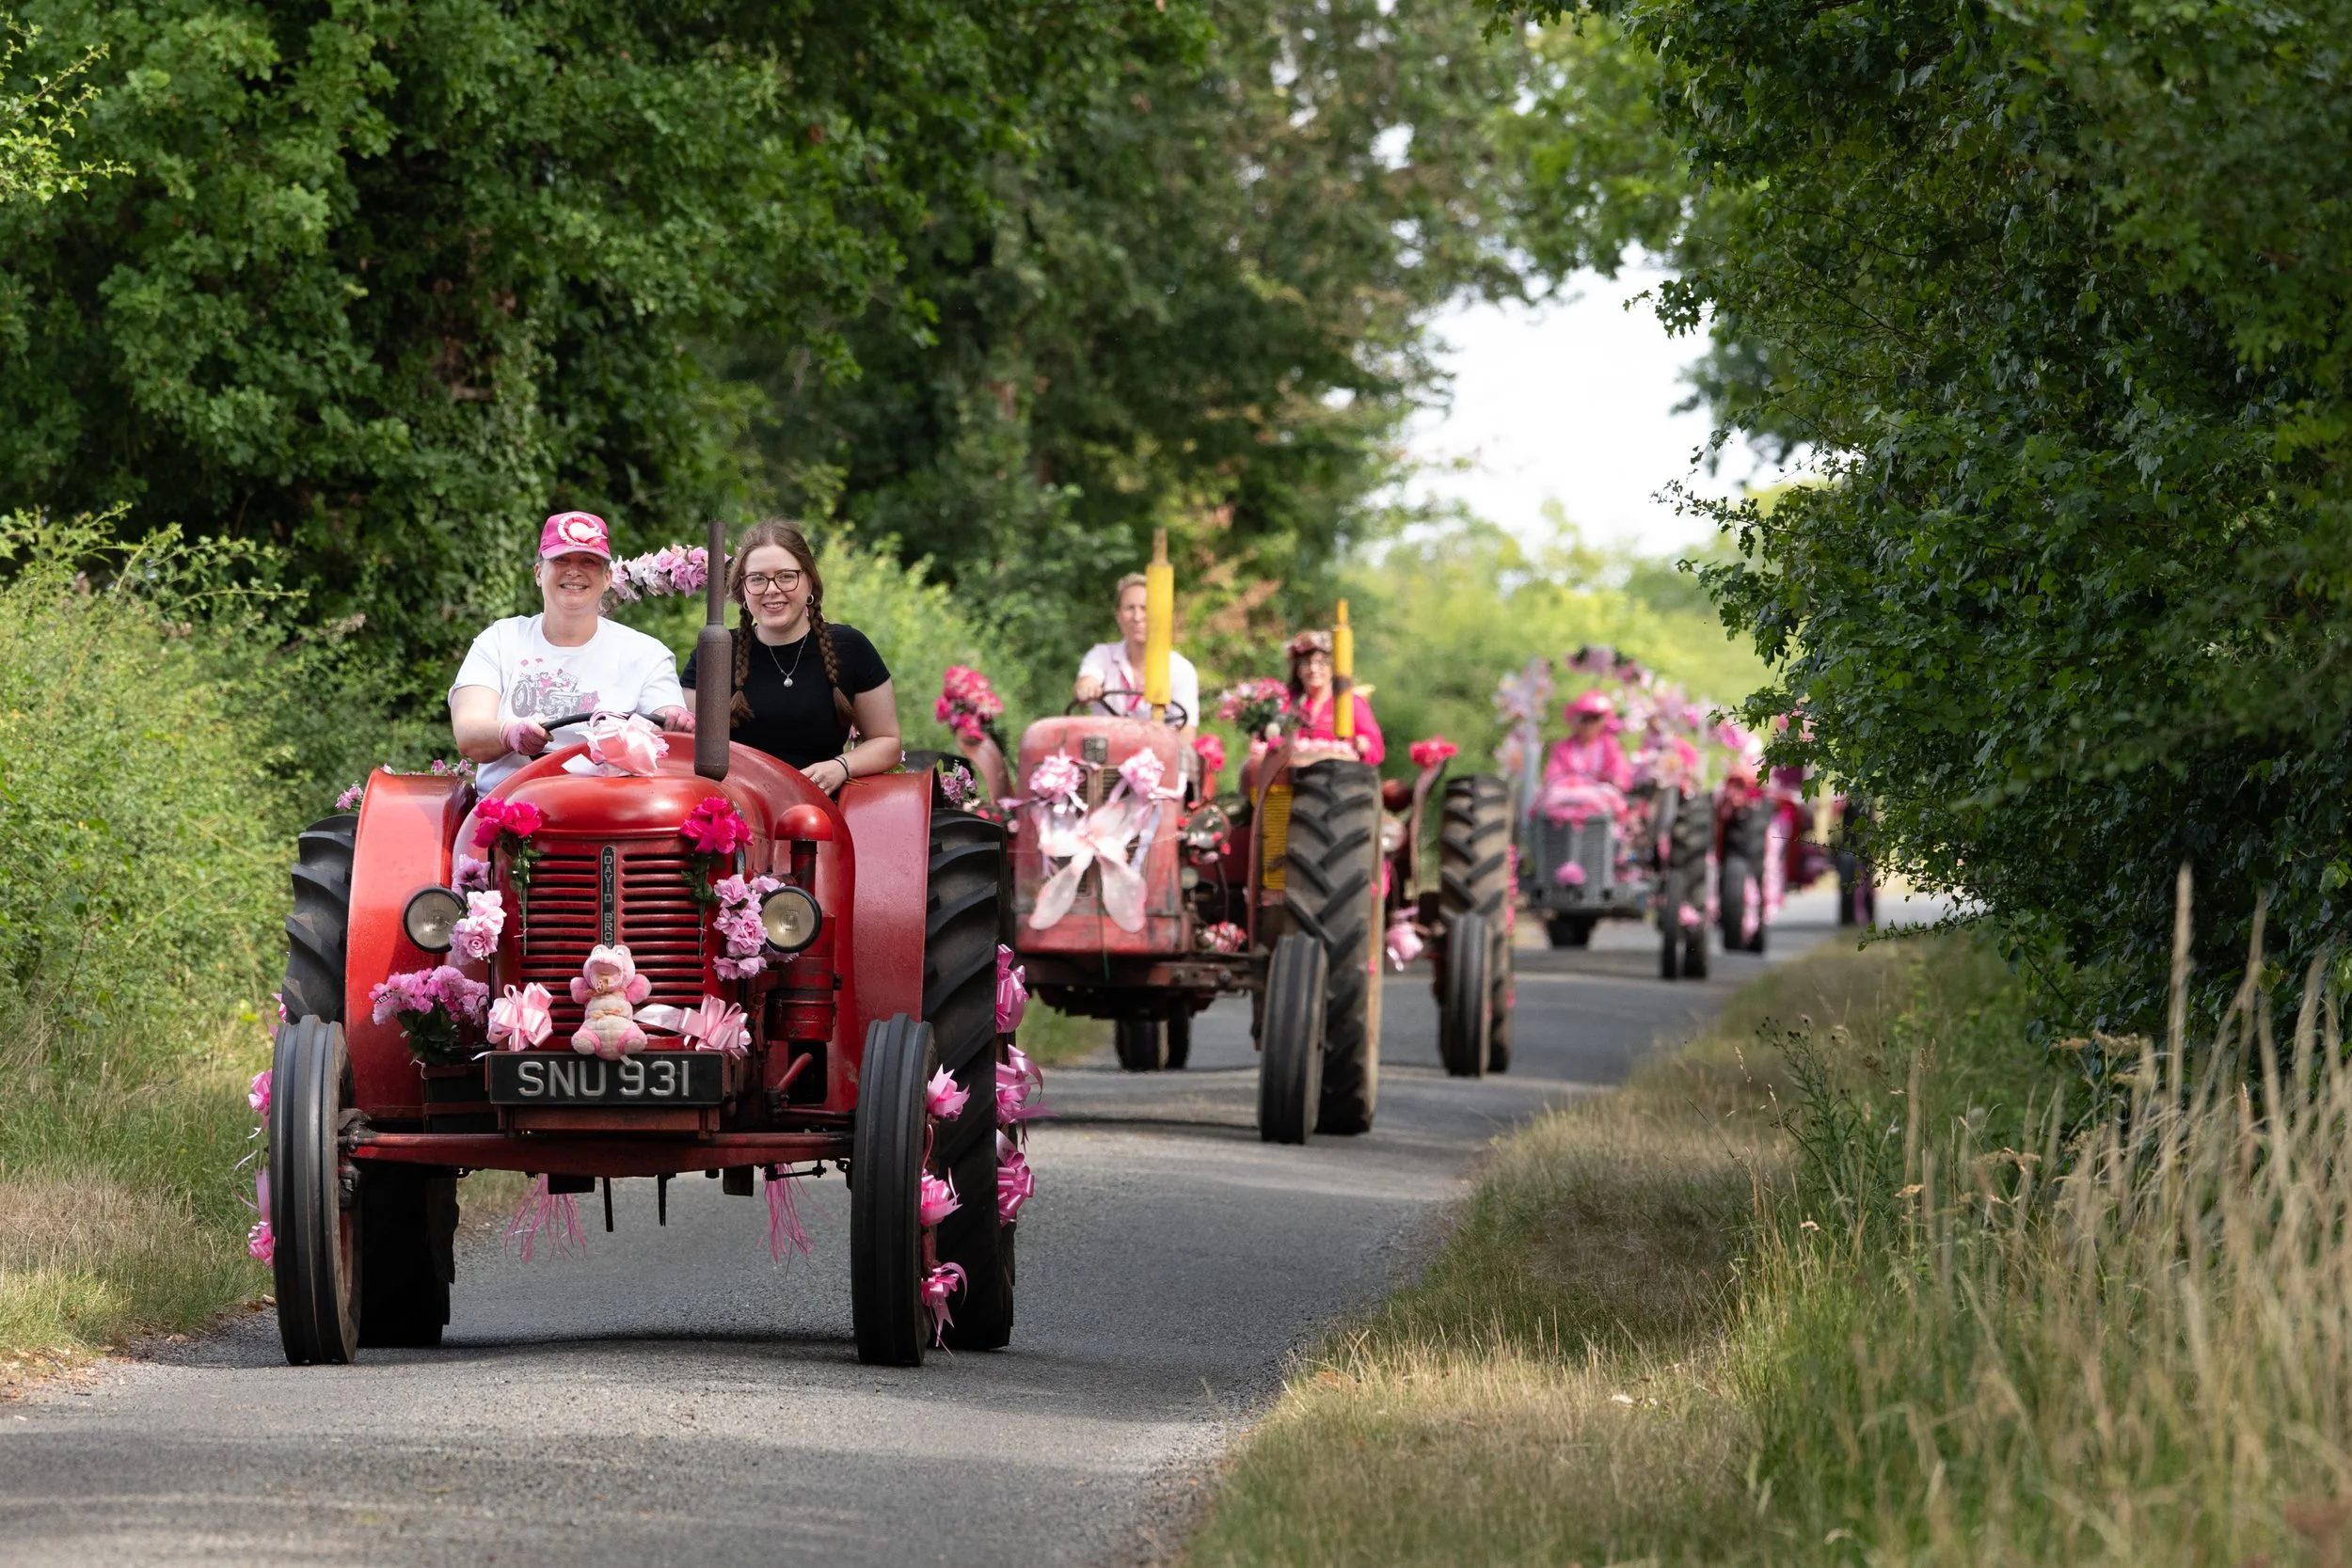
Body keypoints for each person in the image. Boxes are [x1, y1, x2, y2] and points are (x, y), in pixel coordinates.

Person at [450, 512, 691, 791]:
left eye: (588, 561)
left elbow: (668, 731)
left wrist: (675, 718)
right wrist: (508, 733)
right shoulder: (500, 640)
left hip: (614, 812)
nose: (573, 570)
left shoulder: (646, 654)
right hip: (507, 808)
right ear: (539, 573)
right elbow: (469, 734)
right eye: (561, 559)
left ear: (608, 578)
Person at [680, 520, 901, 793]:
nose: (772, 589)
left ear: (809, 581)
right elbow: (685, 746)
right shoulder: (714, 654)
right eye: (758, 579)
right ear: (742, 590)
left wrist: (840, 766)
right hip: (735, 810)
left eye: (786, 576)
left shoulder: (850, 647)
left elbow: (887, 741)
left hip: (820, 810)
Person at [1073, 572, 1200, 734]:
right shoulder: (1102, 656)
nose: (1137, 617)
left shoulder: (1180, 669)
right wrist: (1087, 688)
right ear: (1118, 615)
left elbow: (1186, 733)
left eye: (1145, 609)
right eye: (1129, 608)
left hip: (1156, 754)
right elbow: (1087, 679)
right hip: (1105, 751)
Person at [1285, 629, 1384, 765]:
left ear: (1333, 668)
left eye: (1321, 663)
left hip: (1340, 778)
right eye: (1306, 663)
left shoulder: (1351, 703)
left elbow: (1376, 751)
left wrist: (1363, 747)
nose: (1313, 669)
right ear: (1297, 670)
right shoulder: (1286, 702)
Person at [1535, 689, 1632, 825]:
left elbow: (1620, 775)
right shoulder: (1563, 748)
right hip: (1567, 802)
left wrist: (1612, 780)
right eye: (1584, 719)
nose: (1589, 725)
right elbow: (1553, 775)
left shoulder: (1610, 747)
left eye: (1594, 719)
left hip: (1601, 810)